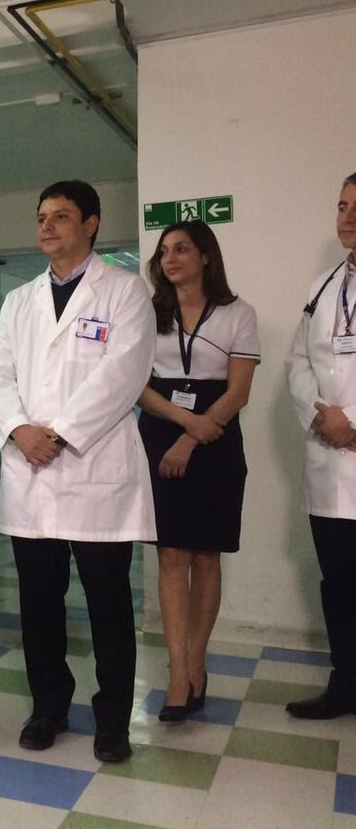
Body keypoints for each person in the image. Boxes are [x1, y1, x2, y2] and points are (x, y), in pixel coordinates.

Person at [0, 180, 155, 764]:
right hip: (31, 472)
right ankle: (48, 707)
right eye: (41, 217)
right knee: (39, 605)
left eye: (60, 216)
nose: (47, 227)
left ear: (91, 223)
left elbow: (123, 374)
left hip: (94, 470)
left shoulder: (125, 291)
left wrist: (57, 433)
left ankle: (114, 720)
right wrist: (18, 428)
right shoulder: (19, 300)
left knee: (109, 605)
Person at [137, 220, 259, 722]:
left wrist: (193, 436)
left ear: (206, 256)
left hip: (216, 434)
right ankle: (177, 671)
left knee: (206, 555)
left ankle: (197, 663)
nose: (170, 258)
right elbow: (137, 385)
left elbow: (238, 391)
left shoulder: (238, 313)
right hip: (162, 428)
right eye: (164, 251)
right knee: (171, 554)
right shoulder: (148, 314)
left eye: (182, 249)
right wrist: (185, 424)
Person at [285, 172, 356, 720]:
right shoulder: (323, 286)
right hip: (328, 461)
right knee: (339, 585)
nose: (347, 218)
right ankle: (346, 684)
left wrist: (352, 422)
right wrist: (321, 416)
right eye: (341, 206)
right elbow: (298, 361)